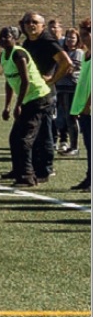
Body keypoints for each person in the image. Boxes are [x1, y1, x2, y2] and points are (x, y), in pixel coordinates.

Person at [21, 12, 72, 183]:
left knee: (45, 132)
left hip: (45, 95)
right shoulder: (27, 43)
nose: (30, 24)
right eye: (27, 21)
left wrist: (52, 80)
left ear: (42, 25)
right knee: (32, 132)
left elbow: (66, 62)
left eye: (34, 22)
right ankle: (32, 167)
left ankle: (46, 169)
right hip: (31, 94)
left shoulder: (47, 41)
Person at [0, 26, 51, 188]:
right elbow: (9, 81)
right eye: (1, 36)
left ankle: (28, 176)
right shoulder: (4, 56)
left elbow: (26, 81)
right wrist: (7, 106)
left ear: (15, 39)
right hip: (27, 100)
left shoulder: (19, 54)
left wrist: (18, 105)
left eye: (7, 36)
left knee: (25, 140)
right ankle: (17, 169)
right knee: (15, 138)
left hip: (38, 98)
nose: (3, 39)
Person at [69, 18, 91, 191]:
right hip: (83, 108)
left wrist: (87, 105)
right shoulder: (85, 55)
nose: (85, 37)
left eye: (88, 34)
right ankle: (89, 178)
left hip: (89, 108)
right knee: (89, 147)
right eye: (83, 34)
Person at [55, 27, 83, 155]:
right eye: (68, 37)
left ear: (77, 39)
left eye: (73, 37)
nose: (70, 40)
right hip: (61, 88)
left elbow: (69, 69)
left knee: (71, 118)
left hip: (71, 88)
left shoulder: (78, 52)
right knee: (65, 118)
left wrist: (57, 73)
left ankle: (74, 147)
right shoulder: (63, 52)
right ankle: (67, 144)